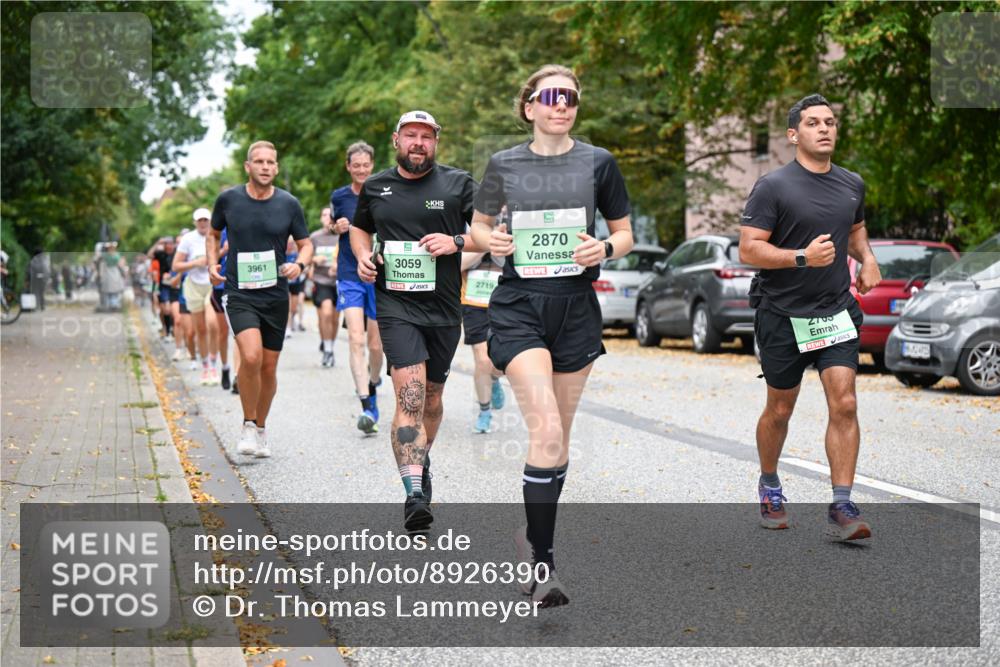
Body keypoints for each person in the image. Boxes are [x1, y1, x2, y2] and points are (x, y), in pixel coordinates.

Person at [470, 64, 633, 608]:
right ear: (529, 106)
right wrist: (494, 240)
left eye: (571, 98)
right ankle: (543, 565)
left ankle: (531, 538)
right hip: (519, 308)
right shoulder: (503, 164)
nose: (562, 105)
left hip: (576, 309)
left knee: (557, 440)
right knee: (544, 432)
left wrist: (604, 250)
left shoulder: (599, 163)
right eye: (551, 97)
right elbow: (478, 226)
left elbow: (625, 232)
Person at [739, 94, 881, 542]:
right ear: (793, 135)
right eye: (814, 122)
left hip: (834, 310)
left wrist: (868, 259)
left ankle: (842, 504)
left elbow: (854, 228)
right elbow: (749, 249)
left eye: (831, 122)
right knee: (780, 408)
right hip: (782, 313)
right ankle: (769, 483)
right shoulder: (773, 186)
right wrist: (802, 257)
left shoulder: (851, 183)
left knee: (845, 401)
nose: (825, 128)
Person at [351, 112, 478, 531]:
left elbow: (490, 232)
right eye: (411, 136)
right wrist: (363, 257)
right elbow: (359, 230)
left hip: (443, 310)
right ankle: (414, 495)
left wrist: (456, 241)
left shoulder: (458, 184)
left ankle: (419, 465)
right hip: (396, 307)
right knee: (410, 396)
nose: (418, 143)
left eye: (426, 137)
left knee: (433, 400)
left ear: (436, 142)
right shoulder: (375, 186)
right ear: (396, 140)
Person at [208, 140, 312, 459]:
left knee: (268, 368)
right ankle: (248, 424)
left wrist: (300, 264)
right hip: (240, 293)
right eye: (259, 161)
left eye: (271, 162)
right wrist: (212, 263)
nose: (265, 167)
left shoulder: (289, 204)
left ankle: (262, 428)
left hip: (275, 295)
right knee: (250, 357)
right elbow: (213, 235)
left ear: (276, 168)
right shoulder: (228, 200)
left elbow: (306, 244)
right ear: (248, 166)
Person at [331, 141, 384, 434]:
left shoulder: (384, 191)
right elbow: (332, 224)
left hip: (378, 275)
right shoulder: (339, 196)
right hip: (350, 273)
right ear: (348, 167)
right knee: (355, 338)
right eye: (356, 165)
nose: (361, 170)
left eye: (366, 165)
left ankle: (374, 382)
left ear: (372, 165)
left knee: (376, 346)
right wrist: (335, 228)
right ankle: (366, 404)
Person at [460, 246, 506, 433]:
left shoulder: (510, 225)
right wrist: (484, 243)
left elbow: (510, 263)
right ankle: (484, 411)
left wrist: (498, 244)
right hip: (472, 301)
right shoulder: (468, 229)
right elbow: (460, 263)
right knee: (482, 359)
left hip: (504, 301)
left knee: (503, 360)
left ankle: (494, 378)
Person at [174, 209, 220, 385]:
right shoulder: (188, 239)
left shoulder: (216, 235)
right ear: (194, 222)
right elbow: (176, 265)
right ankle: (206, 366)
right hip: (193, 287)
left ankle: (215, 364)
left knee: (212, 325)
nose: (203, 223)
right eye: (199, 220)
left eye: (205, 220)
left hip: (211, 285)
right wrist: (196, 263)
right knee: (200, 329)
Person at [310, 207, 341, 368]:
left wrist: (338, 264)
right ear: (321, 218)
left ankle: (329, 344)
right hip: (321, 281)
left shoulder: (341, 236)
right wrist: (315, 259)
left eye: (330, 215)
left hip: (339, 282)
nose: (327, 217)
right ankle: (327, 350)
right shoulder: (315, 237)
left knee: (335, 319)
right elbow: (306, 256)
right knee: (326, 313)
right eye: (324, 215)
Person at [207, 228, 234, 391]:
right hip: (221, 287)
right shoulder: (217, 231)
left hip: (243, 285)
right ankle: (225, 367)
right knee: (223, 332)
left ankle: (240, 374)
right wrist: (224, 250)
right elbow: (209, 261)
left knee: (240, 333)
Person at [148, 236, 177, 340]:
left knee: (172, 310)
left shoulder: (177, 253)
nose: (169, 246)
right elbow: (150, 255)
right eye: (166, 244)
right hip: (162, 285)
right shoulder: (161, 254)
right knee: (165, 309)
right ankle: (167, 330)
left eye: (171, 243)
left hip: (175, 284)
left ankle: (172, 330)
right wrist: (157, 242)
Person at [285, 236, 306, 338]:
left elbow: (303, 267)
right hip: (285, 285)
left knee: (294, 308)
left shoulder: (296, 255)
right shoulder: (282, 255)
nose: (290, 246)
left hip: (296, 285)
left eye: (291, 244)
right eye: (288, 244)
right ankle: (288, 328)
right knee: (288, 308)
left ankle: (293, 319)